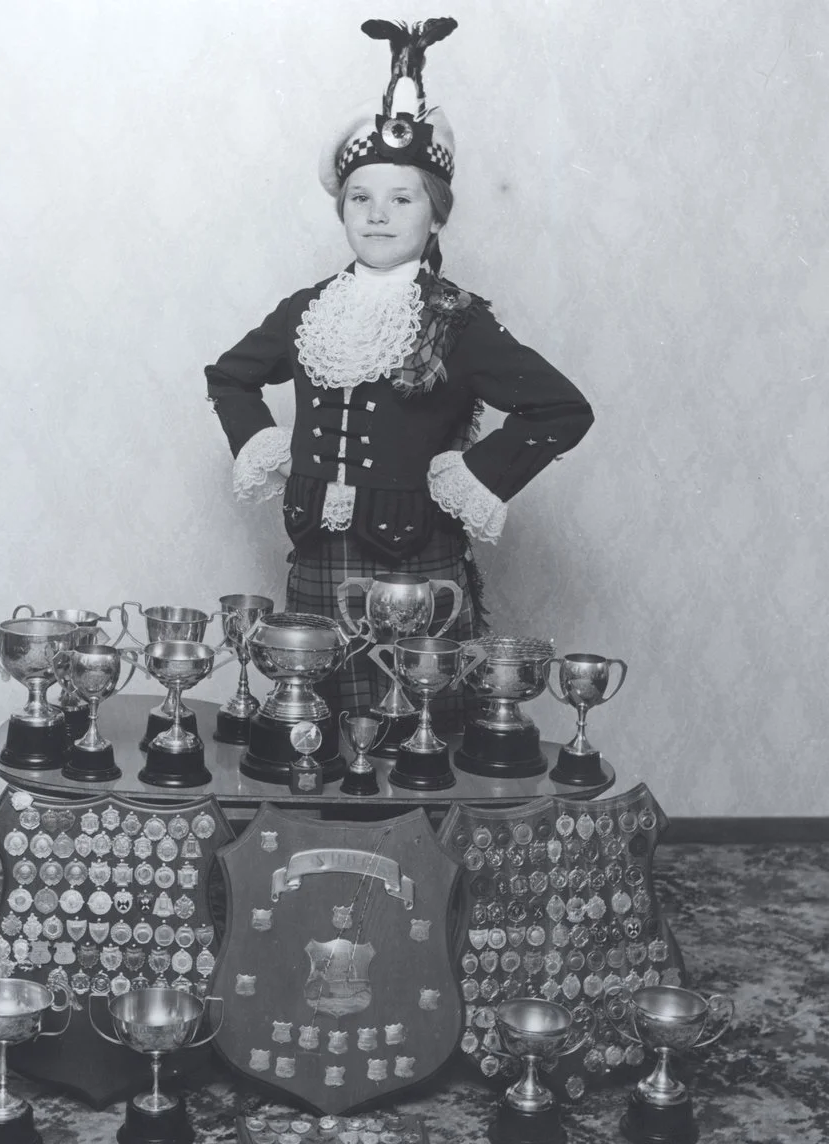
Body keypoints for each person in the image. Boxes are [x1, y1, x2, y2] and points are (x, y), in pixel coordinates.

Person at [205, 18, 593, 730]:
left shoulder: (458, 317)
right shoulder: (308, 309)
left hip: (419, 566)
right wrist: (269, 446)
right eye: (360, 198)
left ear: (436, 217)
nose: (377, 215)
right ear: (342, 209)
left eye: (402, 199)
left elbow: (561, 409)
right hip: (317, 560)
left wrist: (468, 474)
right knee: (312, 728)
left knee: (415, 736)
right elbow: (229, 377)